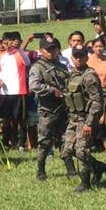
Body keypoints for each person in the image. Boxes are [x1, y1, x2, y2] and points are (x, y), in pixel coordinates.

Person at [59, 46, 106, 192]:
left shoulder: (90, 77)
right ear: (72, 58)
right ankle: (98, 166)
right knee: (66, 150)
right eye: (76, 56)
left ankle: (85, 184)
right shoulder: (71, 75)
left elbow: (97, 102)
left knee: (81, 151)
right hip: (73, 119)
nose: (78, 59)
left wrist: (89, 123)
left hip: (85, 120)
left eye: (81, 56)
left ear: (87, 57)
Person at [28, 38, 71, 180]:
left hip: (63, 108)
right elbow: (34, 85)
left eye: (54, 48)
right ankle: (41, 170)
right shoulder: (37, 67)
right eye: (48, 49)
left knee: (65, 139)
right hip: (47, 110)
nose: (51, 52)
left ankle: (70, 168)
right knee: (45, 141)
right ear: (41, 51)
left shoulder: (62, 66)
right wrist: (51, 90)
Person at [0, 32, 29, 152]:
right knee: (6, 119)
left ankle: (21, 144)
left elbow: (27, 62)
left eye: (9, 43)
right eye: (4, 43)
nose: (7, 46)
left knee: (20, 119)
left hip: (19, 92)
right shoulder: (1, 57)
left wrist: (19, 49)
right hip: (5, 93)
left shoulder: (19, 54)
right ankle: (6, 142)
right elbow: (1, 71)